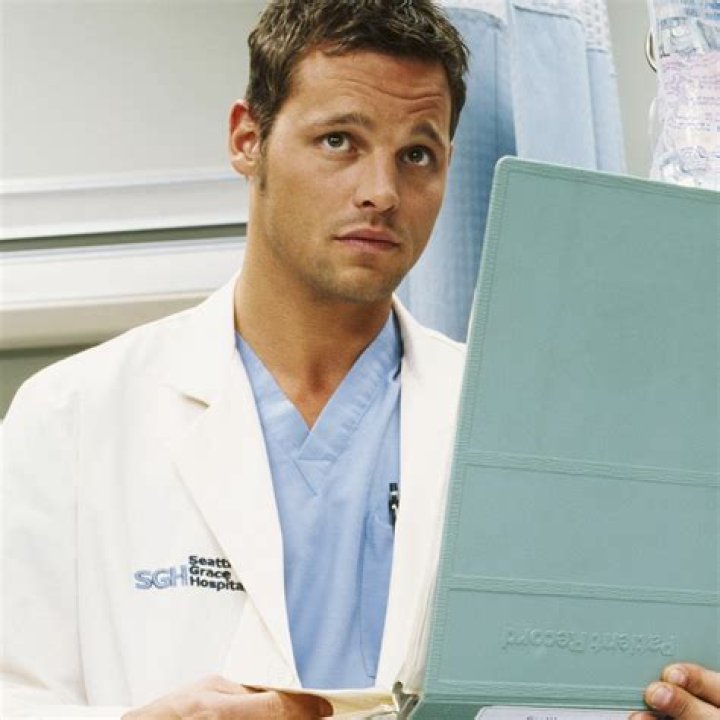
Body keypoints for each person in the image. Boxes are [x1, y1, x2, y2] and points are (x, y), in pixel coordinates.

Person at [1, 1, 718, 719]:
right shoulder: (72, 418)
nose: (382, 192)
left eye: (417, 155)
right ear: (248, 139)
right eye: (339, 141)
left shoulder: (523, 427)